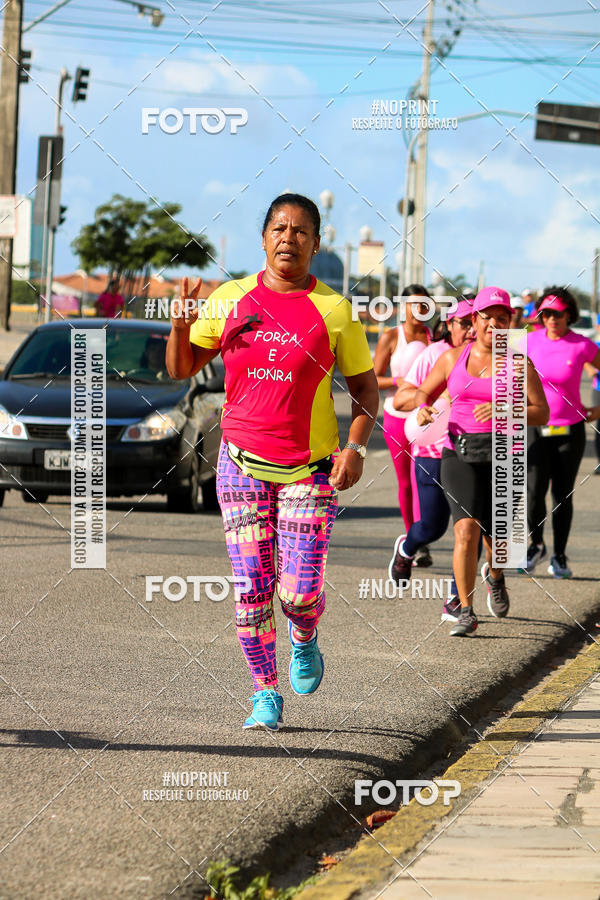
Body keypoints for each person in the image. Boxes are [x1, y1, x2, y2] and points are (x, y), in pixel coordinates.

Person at [166, 193, 378, 730]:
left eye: (301, 230)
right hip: (240, 466)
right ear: (263, 238)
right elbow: (182, 366)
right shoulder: (231, 298)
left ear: (316, 242)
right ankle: (265, 692)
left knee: (298, 592)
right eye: (279, 228)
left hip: (310, 471)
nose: (289, 238)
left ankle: (304, 634)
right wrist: (178, 324)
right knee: (251, 594)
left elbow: (365, 391)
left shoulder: (334, 310)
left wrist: (354, 448)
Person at [414, 287, 548, 636]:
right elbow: (421, 392)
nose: (493, 324)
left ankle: (497, 576)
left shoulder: (519, 362)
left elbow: (542, 412)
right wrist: (424, 407)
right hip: (458, 453)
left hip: (504, 454)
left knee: (498, 540)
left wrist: (506, 408)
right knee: (466, 530)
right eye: (486, 317)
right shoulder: (452, 358)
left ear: (509, 324)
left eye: (501, 319)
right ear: (474, 320)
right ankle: (466, 611)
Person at [388, 299, 474, 623]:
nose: (469, 329)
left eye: (473, 322)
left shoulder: (487, 358)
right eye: (462, 323)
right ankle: (407, 548)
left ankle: (457, 599)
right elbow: (401, 397)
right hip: (432, 454)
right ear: (448, 325)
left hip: (469, 454)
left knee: (468, 529)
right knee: (433, 527)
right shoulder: (434, 354)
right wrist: (432, 399)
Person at [524, 288, 600, 577]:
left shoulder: (581, 345)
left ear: (569, 314)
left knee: (562, 495)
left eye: (558, 313)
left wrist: (598, 410)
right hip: (535, 428)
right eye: (546, 313)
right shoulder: (527, 342)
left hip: (571, 430)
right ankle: (537, 545)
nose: (552, 318)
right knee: (533, 492)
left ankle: (559, 556)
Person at [373, 285, 432, 563]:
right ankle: (414, 540)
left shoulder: (434, 338)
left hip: (427, 417)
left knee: (425, 478)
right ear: (403, 306)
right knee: (406, 482)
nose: (419, 310)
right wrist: (400, 382)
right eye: (413, 304)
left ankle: (422, 536)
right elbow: (373, 378)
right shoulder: (391, 337)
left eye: (424, 305)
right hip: (396, 416)